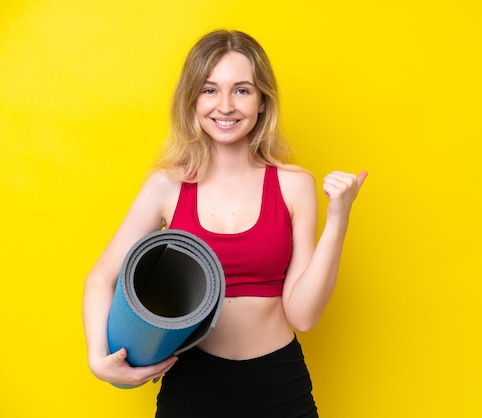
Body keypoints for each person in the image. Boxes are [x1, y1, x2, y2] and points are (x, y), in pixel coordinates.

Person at [82, 29, 367, 417]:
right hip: (192, 381)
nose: (226, 105)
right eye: (210, 90)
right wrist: (98, 358)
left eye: (243, 90)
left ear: (263, 100)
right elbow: (101, 277)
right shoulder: (166, 186)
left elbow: (303, 315)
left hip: (277, 380)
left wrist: (339, 218)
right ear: (192, 99)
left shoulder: (294, 185)